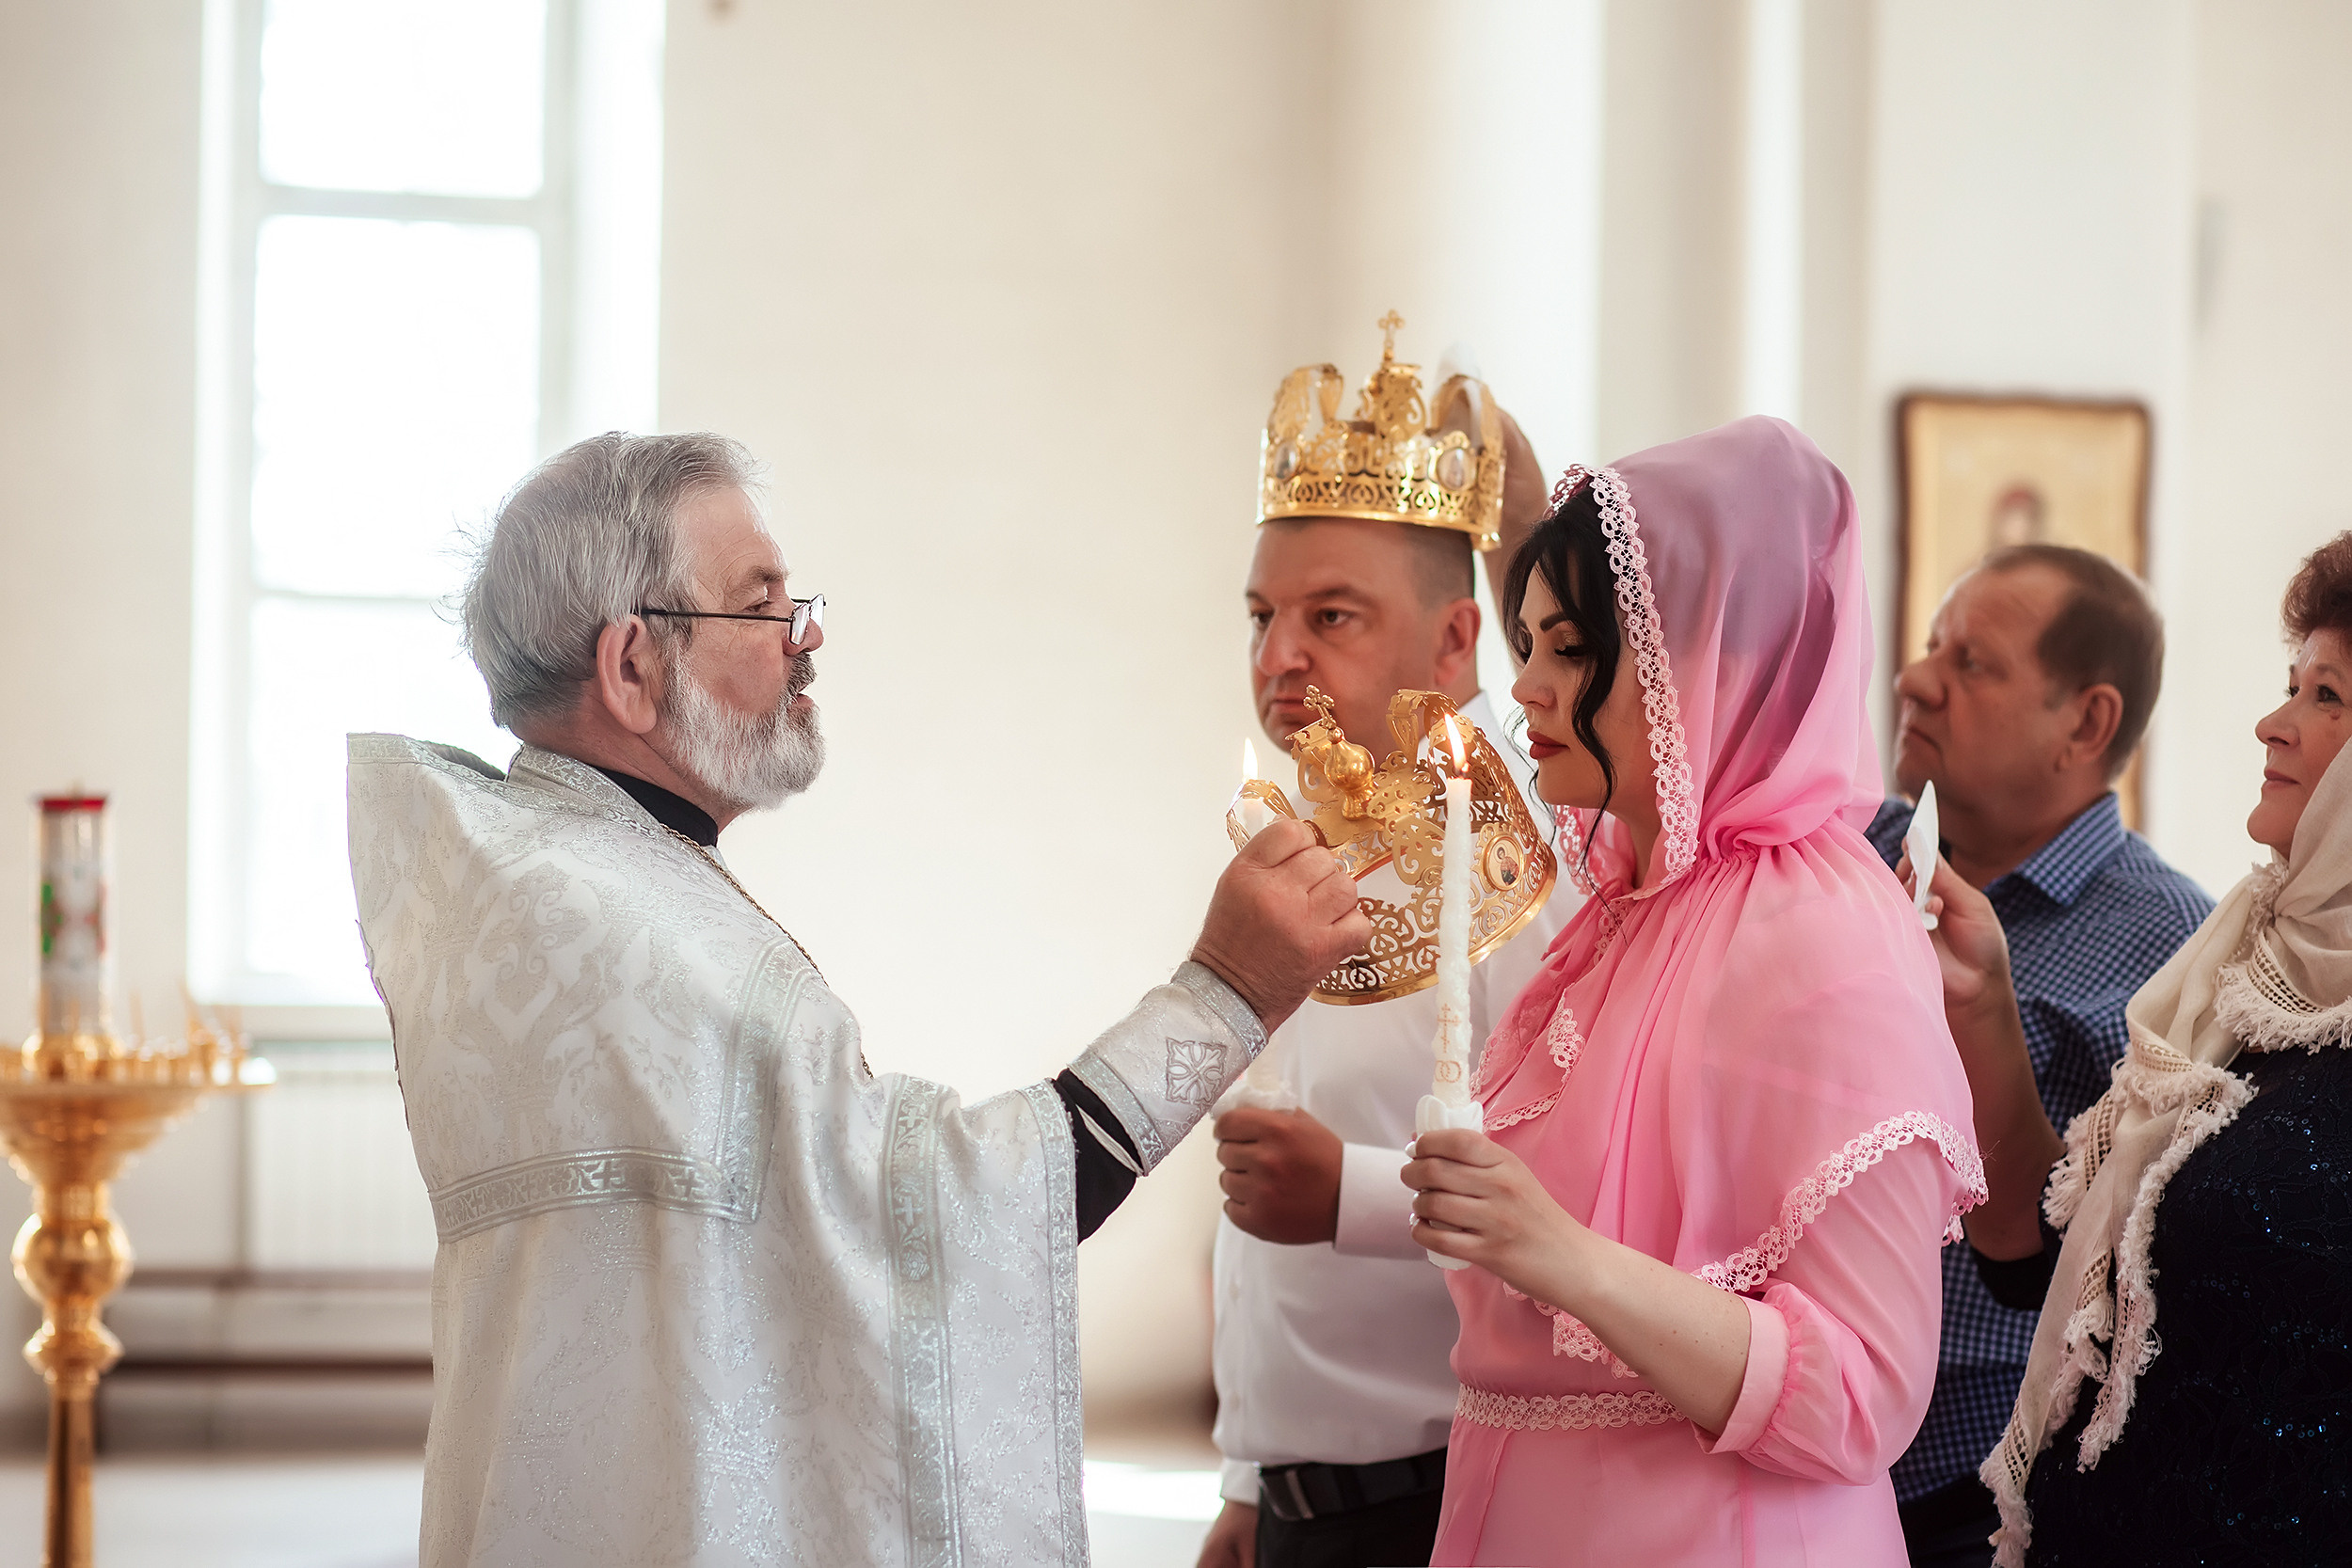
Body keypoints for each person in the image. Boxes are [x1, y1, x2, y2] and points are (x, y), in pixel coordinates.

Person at [343, 432, 1371, 1568]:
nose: (807, 633)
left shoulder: (553, 881)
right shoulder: (635, 936)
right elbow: (939, 1217)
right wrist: (1222, 993)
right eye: (760, 602)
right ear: (632, 665)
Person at [1402, 417, 1984, 1565]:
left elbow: (1863, 1394)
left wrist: (1564, 1256)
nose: (1521, 687)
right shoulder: (1635, 905)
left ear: (1701, 665)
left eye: (1567, 649)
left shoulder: (1817, 935)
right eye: (1526, 641)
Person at [1199, 334, 1574, 1568]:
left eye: (1331, 615)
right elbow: (1261, 1191)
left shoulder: (1522, 885)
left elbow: (1580, 1193)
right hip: (1301, 1505)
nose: (1279, 655)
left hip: (1449, 1500)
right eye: (1263, 614)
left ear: (1455, 644)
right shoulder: (1282, 849)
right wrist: (1254, 1477)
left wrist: (1348, 1193)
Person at [1917, 532, 2352, 1565]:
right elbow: (2047, 1262)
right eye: (2289, 684)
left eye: (2326, 696)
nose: (2273, 722)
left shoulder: (2182, 936)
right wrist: (1981, 1005)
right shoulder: (2236, 969)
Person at [1864, 546, 2212, 1565]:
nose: (1914, 677)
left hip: (1964, 1505)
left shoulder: (2168, 949)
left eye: (1971, 663)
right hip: (1771, 1439)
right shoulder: (1852, 848)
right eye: (1932, 645)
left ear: (2086, 721)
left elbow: (2120, 1278)